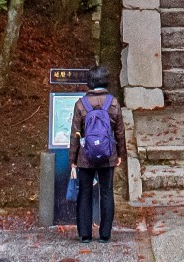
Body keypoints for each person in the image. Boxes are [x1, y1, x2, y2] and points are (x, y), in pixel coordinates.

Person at [68, 66, 119, 242]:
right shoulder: (113, 102)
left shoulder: (81, 104)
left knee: (85, 193)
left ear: (89, 82)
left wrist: (73, 159)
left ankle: (85, 234)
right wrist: (120, 155)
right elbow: (119, 132)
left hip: (85, 157)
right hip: (108, 155)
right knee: (106, 192)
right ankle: (105, 234)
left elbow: (75, 133)